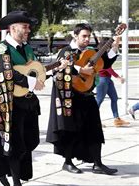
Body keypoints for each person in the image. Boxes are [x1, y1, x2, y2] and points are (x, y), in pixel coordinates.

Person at [0, 11, 52, 186]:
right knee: (16, 144)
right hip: (9, 105)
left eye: (28, 27)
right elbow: (4, 74)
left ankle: (5, 169)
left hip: (27, 102)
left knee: (30, 140)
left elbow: (34, 70)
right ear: (12, 28)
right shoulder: (3, 49)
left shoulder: (26, 48)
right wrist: (31, 80)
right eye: (24, 26)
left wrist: (46, 74)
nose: (28, 30)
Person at [47, 23, 119, 176]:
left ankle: (97, 163)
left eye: (88, 36)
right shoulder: (66, 51)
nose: (87, 39)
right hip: (70, 96)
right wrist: (80, 69)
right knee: (70, 130)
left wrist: (114, 46)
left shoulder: (90, 52)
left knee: (95, 129)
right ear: (75, 35)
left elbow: (104, 63)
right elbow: (60, 68)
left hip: (87, 95)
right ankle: (67, 162)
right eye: (83, 36)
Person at [95, 37, 129, 127]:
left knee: (114, 98)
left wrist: (117, 40)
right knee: (99, 101)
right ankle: (93, 121)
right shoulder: (101, 55)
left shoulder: (107, 53)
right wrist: (118, 77)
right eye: (111, 43)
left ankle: (116, 119)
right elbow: (108, 68)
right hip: (102, 80)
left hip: (107, 79)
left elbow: (114, 49)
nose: (113, 44)